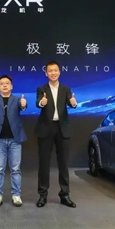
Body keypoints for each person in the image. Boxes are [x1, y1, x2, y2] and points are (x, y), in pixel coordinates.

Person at [35, 60, 77, 208]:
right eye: (50, 71)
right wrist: (42, 103)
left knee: (63, 163)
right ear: (46, 73)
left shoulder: (66, 89)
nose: (53, 73)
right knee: (44, 164)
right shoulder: (42, 88)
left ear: (59, 72)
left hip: (62, 128)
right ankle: (42, 195)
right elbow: (38, 102)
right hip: (45, 128)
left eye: (55, 70)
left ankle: (65, 195)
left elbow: (71, 102)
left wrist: (73, 103)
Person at [0, 75, 27, 208]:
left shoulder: (18, 100)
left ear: (11, 86)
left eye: (7, 83)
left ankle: (16, 195)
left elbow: (23, 106)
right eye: (2, 83)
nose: (4, 85)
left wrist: (24, 105)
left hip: (15, 139)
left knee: (15, 169)